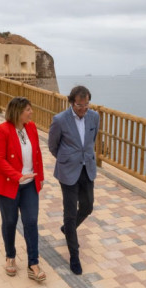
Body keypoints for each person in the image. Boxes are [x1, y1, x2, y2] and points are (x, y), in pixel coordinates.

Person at [0, 97, 46, 282]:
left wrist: (40, 177)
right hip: (8, 185)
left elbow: (37, 154)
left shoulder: (31, 127)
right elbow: (0, 159)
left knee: (31, 221)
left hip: (30, 184)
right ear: (18, 112)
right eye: (28, 110)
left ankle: (33, 263)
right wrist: (17, 175)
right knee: (10, 222)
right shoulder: (3, 130)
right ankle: (10, 256)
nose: (31, 113)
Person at [48, 86, 99, 275]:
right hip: (68, 171)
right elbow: (53, 145)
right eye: (79, 105)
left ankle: (67, 230)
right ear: (71, 102)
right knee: (70, 213)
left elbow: (91, 140)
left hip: (87, 168)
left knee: (88, 207)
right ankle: (74, 255)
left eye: (86, 105)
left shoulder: (94, 117)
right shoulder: (60, 120)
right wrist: (66, 159)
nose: (83, 109)